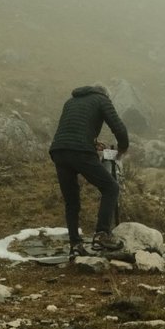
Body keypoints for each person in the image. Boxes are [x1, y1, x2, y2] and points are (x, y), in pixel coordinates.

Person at [49, 85, 129, 258]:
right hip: (80, 152)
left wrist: (91, 143)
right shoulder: (102, 99)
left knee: (72, 201)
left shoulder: (71, 101)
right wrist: (122, 150)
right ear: (105, 94)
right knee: (111, 188)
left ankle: (75, 244)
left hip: (59, 151)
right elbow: (119, 128)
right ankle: (102, 234)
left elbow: (73, 129)